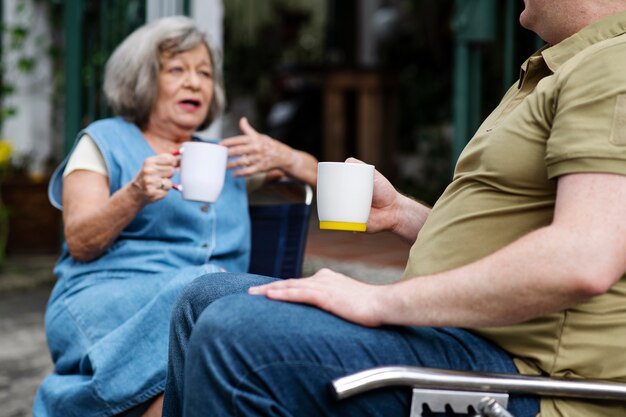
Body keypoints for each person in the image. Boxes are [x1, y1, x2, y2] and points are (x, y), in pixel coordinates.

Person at [162, 2, 626, 417]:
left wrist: (377, 299)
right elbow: (524, 234)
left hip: (528, 378)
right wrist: (405, 215)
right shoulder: (556, 68)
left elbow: (583, 258)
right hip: (468, 338)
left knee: (236, 335)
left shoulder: (613, 64)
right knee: (204, 300)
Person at [33, 15, 317, 417]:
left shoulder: (227, 159)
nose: (195, 82)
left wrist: (289, 157)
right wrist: (133, 194)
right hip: (106, 304)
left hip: (203, 313)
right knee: (212, 295)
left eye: (204, 72)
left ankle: (86, 405)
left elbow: (337, 188)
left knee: (198, 366)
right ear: (142, 79)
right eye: (177, 70)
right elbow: (80, 241)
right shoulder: (104, 140)